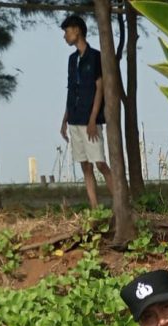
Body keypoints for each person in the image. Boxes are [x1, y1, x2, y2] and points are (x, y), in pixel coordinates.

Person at [59, 15, 114, 210]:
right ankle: (94, 207)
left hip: (90, 120)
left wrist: (92, 120)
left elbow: (99, 88)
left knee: (99, 162)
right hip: (74, 118)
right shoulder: (72, 60)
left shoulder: (96, 57)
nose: (65, 36)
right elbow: (71, 89)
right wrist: (65, 120)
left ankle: (120, 203)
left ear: (77, 30)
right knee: (84, 165)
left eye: (67, 31)